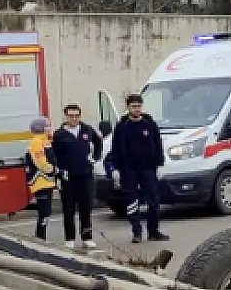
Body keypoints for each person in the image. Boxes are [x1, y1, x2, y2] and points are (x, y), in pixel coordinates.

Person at [111, 93, 168, 244]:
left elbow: (158, 145)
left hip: (148, 168)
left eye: (139, 106)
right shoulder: (122, 126)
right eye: (133, 106)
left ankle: (153, 231)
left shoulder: (150, 124)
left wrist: (159, 164)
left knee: (153, 201)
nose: (137, 109)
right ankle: (136, 232)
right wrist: (115, 168)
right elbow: (115, 148)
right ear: (128, 107)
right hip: (128, 169)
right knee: (132, 201)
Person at [50, 103, 104, 251]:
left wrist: (95, 157)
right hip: (67, 177)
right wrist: (59, 171)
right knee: (68, 209)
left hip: (85, 174)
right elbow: (53, 155)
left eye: (76, 116)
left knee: (86, 207)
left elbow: (98, 142)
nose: (74, 118)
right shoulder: (59, 134)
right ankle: (70, 238)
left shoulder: (87, 129)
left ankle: (87, 237)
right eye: (71, 116)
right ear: (65, 116)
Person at [23, 117, 58, 241]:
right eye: (47, 126)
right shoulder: (37, 142)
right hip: (40, 181)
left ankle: (41, 237)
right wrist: (53, 169)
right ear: (41, 128)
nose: (50, 128)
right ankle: (40, 238)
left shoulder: (45, 141)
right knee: (44, 212)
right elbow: (40, 162)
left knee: (47, 212)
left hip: (46, 182)